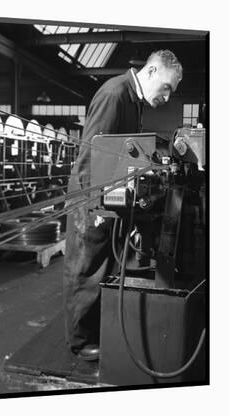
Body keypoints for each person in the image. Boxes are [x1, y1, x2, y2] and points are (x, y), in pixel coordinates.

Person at [63, 50, 183, 361]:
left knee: (104, 266)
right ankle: (80, 341)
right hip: (91, 200)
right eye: (167, 88)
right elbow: (91, 154)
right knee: (86, 268)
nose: (167, 98)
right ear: (152, 71)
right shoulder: (115, 94)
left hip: (109, 197)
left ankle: (95, 328)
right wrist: (95, 207)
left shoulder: (134, 101)